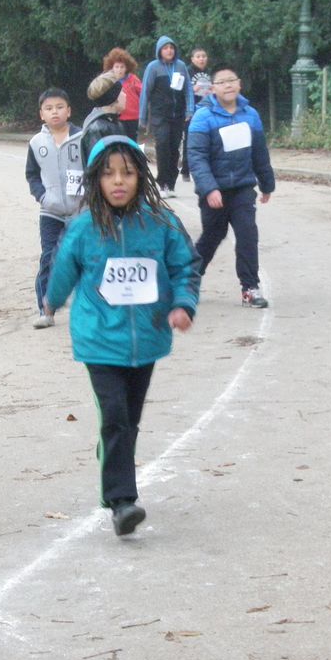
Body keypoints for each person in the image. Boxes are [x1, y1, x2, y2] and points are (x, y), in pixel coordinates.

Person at [44, 135, 201, 536]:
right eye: (110, 174)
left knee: (127, 422)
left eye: (128, 173)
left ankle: (110, 460)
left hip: (146, 340)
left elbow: (186, 266)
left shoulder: (162, 223)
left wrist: (183, 304)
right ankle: (122, 502)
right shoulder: (82, 229)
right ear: (96, 180)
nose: (119, 182)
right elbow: (64, 268)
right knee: (114, 417)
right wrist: (52, 299)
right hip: (98, 339)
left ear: (140, 178)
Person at [187, 65, 276, 309]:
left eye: (231, 80)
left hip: (242, 188)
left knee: (248, 233)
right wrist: (209, 189)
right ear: (213, 89)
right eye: (222, 82)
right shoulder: (203, 117)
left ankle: (250, 287)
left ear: (239, 85)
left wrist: (266, 183)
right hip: (214, 190)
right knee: (212, 237)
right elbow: (196, 157)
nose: (227, 85)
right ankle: (187, 280)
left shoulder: (250, 115)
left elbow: (259, 152)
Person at [25, 88, 84, 329]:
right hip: (51, 213)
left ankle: (84, 305)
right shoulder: (37, 142)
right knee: (49, 258)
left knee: (84, 257)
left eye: (60, 107)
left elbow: (95, 168)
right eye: (49, 109)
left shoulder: (83, 137)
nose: (55, 112)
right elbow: (32, 175)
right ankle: (46, 309)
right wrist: (42, 197)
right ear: (41, 114)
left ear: (69, 110)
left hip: (81, 211)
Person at [138, 35, 194, 198]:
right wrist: (142, 117)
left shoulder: (181, 66)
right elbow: (145, 92)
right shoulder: (153, 67)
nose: (169, 50)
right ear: (160, 51)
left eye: (171, 47)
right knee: (162, 146)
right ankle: (162, 184)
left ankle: (171, 183)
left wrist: (190, 110)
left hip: (178, 115)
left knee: (174, 149)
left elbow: (188, 90)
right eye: (165, 48)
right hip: (159, 115)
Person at [180, 46, 212, 182]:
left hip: (208, 110)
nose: (201, 59)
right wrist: (191, 89)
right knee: (190, 140)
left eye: (204, 56)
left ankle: (206, 168)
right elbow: (178, 90)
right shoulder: (186, 71)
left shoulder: (210, 73)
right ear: (192, 59)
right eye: (198, 56)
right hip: (191, 111)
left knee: (209, 140)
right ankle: (186, 170)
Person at [82, 70, 128, 162]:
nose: (126, 95)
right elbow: (100, 166)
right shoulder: (97, 129)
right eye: (122, 91)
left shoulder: (113, 122)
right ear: (114, 98)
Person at [102, 47, 143, 141]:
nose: (119, 70)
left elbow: (142, 94)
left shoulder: (133, 79)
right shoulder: (107, 81)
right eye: (116, 67)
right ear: (111, 67)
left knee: (131, 143)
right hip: (115, 117)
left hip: (132, 118)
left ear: (127, 68)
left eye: (122, 67)